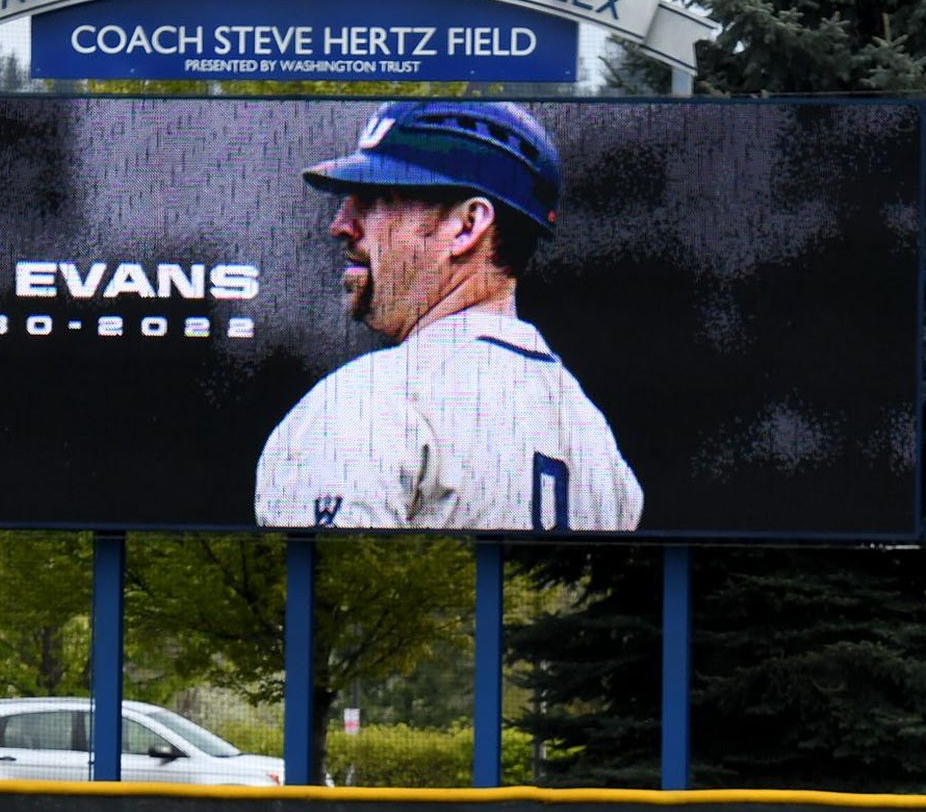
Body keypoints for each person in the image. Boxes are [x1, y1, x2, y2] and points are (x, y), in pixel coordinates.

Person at [254, 100, 643, 534]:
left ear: (467, 226)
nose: (342, 223)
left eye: (377, 197)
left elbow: (319, 594)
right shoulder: (596, 440)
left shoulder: (370, 402)